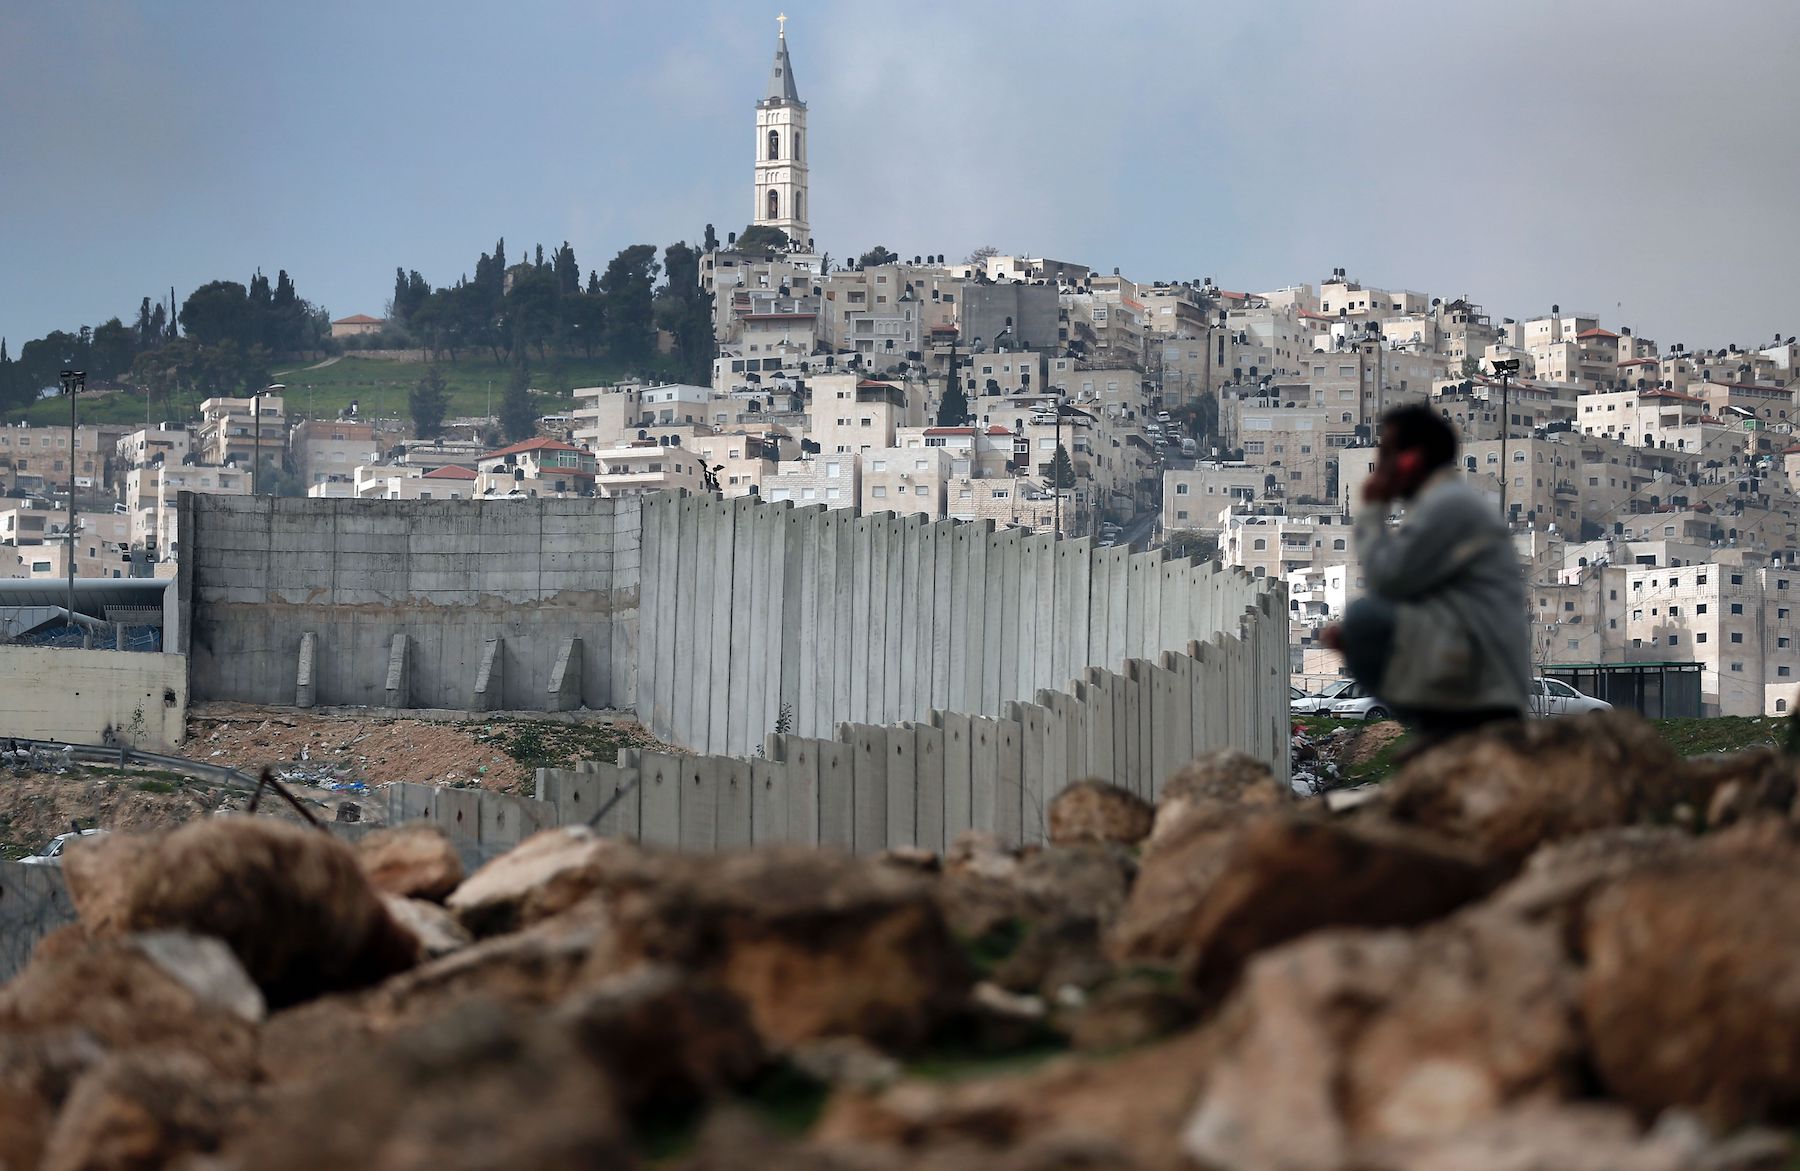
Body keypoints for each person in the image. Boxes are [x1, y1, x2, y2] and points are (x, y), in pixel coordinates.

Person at [1322, 404, 1530, 741]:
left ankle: (1444, 732)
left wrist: (1373, 507)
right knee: (1359, 630)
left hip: (1484, 686)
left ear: (1411, 460)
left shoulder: (1446, 505)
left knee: (1363, 618)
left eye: (1387, 454)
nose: (1382, 467)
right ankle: (1437, 731)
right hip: (1475, 668)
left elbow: (1386, 580)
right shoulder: (1445, 503)